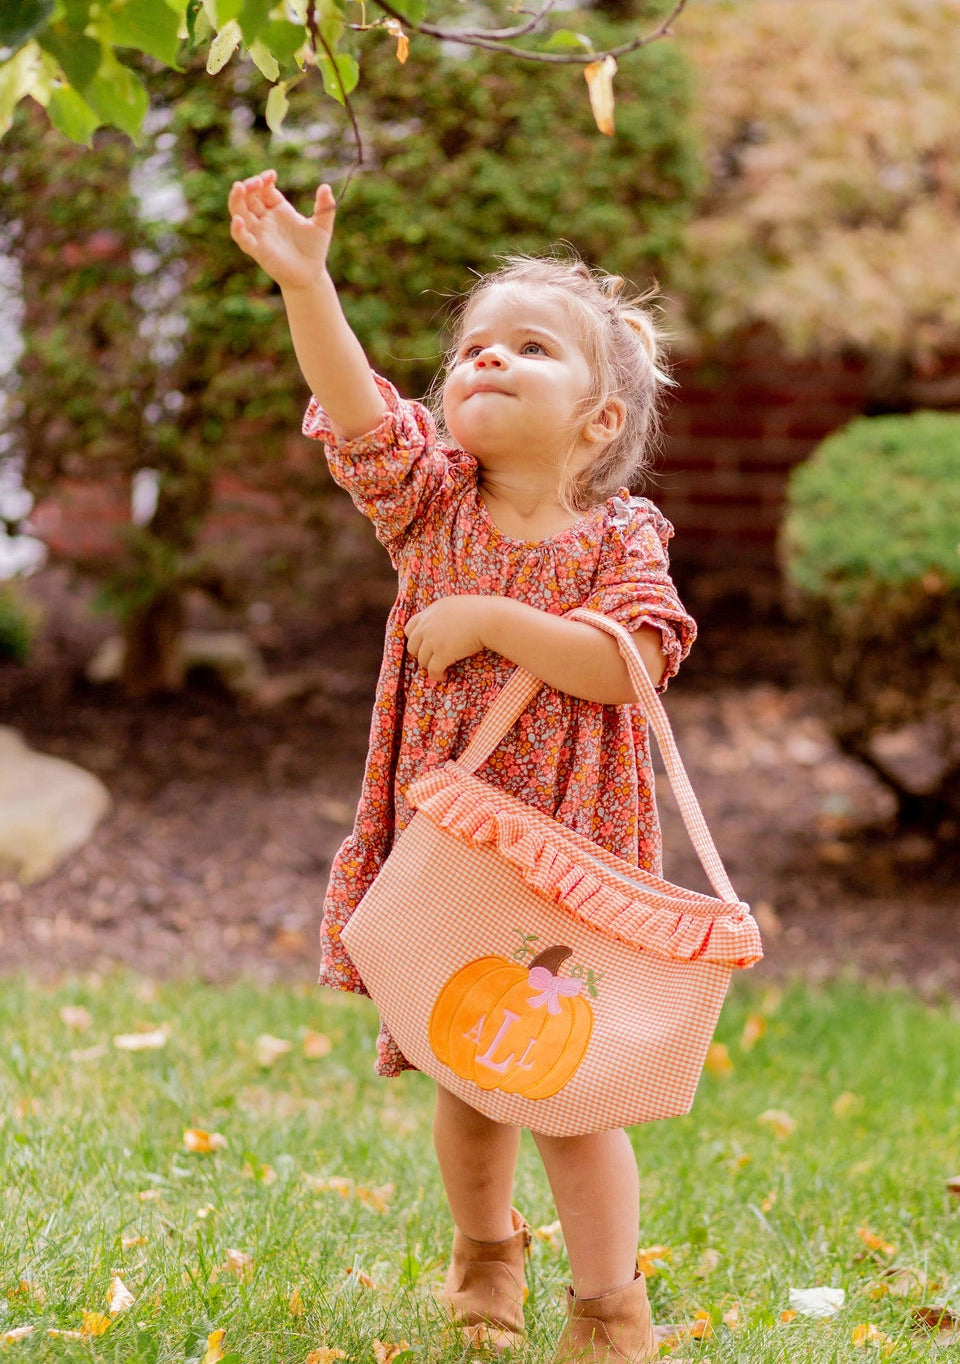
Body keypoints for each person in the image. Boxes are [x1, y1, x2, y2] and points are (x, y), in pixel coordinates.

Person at [229, 169, 697, 1364]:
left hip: (571, 858)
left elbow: (630, 662)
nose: (483, 360)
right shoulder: (431, 508)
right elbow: (356, 409)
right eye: (472, 348)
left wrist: (493, 619)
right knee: (469, 1068)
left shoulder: (619, 536)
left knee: (573, 1090)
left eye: (527, 347)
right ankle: (485, 1249)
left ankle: (608, 1304)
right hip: (449, 854)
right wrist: (307, 283)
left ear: (599, 421)